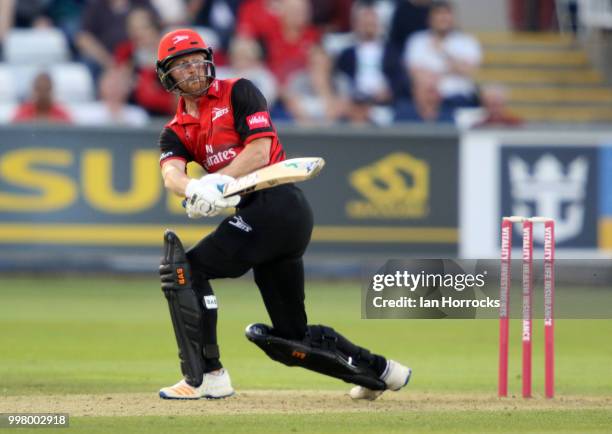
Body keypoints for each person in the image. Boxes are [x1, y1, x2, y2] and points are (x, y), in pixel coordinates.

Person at [154, 28, 411, 400]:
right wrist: (195, 188)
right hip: (262, 217)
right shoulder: (175, 130)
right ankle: (383, 372)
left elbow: (260, 151)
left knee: (187, 271)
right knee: (291, 338)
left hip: (279, 205)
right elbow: (171, 175)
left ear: (208, 61)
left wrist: (217, 183)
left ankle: (208, 376)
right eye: (182, 65)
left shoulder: (239, 90)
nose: (193, 70)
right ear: (168, 75)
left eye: (197, 60)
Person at [404, 1, 481, 110]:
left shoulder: (467, 41)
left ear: (453, 18)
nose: (443, 18)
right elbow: (415, 73)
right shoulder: (417, 40)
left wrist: (443, 53)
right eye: (438, 14)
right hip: (426, 102)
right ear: (430, 18)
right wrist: (451, 69)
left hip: (459, 99)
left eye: (446, 14)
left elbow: (467, 70)